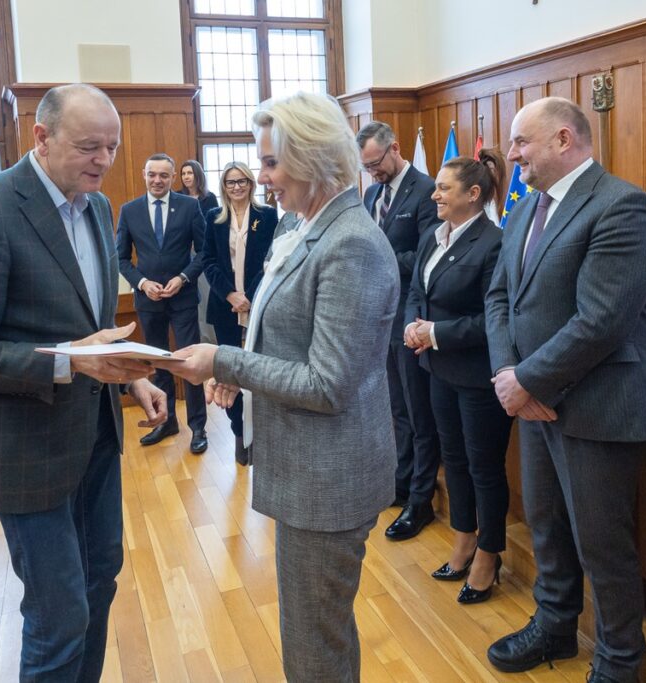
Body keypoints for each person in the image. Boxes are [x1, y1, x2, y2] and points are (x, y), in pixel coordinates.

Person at [0, 84, 167, 683]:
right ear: (41, 136)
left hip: (95, 437)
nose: (103, 160)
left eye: (112, 147)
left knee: (99, 583)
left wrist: (127, 379)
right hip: (25, 451)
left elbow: (89, 327)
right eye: (88, 147)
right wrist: (72, 362)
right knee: (58, 618)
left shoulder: (99, 207)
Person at [161, 91, 398, 683]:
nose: (261, 177)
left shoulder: (351, 244)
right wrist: (239, 376)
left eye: (270, 163)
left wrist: (227, 363)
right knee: (315, 632)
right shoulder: (303, 224)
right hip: (305, 465)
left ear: (314, 156)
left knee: (315, 645)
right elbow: (285, 334)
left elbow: (328, 383)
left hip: (329, 477)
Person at [484, 97, 646, 683]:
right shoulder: (523, 210)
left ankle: (619, 660)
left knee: (601, 544)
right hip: (534, 403)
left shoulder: (622, 206)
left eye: (521, 142)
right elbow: (499, 299)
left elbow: (601, 321)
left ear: (564, 139)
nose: (511, 154)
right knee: (546, 527)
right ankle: (555, 625)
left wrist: (526, 380)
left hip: (598, 406)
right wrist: (509, 376)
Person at [404, 150, 513, 605]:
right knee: (454, 460)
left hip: (477, 374)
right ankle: (464, 538)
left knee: (484, 466)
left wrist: (435, 333)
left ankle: (489, 554)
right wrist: (412, 325)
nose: (434, 195)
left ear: (473, 194)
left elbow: (494, 318)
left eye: (443, 188)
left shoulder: (494, 243)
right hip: (437, 369)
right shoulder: (433, 236)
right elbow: (417, 290)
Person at [356, 121, 442, 541]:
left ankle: (421, 500)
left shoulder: (426, 190)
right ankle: (402, 482)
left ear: (395, 148)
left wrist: (378, 256)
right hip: (379, 316)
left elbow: (427, 255)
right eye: (366, 167)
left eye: (376, 163)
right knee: (396, 409)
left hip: (411, 315)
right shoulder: (372, 194)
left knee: (419, 413)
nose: (373, 172)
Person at [116, 153, 209, 453]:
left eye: (164, 175)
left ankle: (198, 427)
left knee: (188, 362)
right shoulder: (129, 210)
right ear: (144, 175)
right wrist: (143, 283)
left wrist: (183, 278)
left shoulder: (190, 206)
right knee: (159, 363)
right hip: (148, 301)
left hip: (183, 298)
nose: (157, 180)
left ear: (172, 178)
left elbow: (204, 252)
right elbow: (121, 258)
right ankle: (166, 422)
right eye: (152, 174)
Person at [201, 161, 278, 465]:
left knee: (258, 370)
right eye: (231, 182)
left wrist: (249, 296)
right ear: (224, 186)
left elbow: (272, 259)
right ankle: (238, 433)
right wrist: (230, 295)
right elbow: (208, 261)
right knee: (230, 371)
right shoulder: (214, 217)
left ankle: (260, 435)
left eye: (242, 181)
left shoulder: (267, 215)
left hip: (257, 303)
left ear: (251, 183)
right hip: (225, 306)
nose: (236, 187)